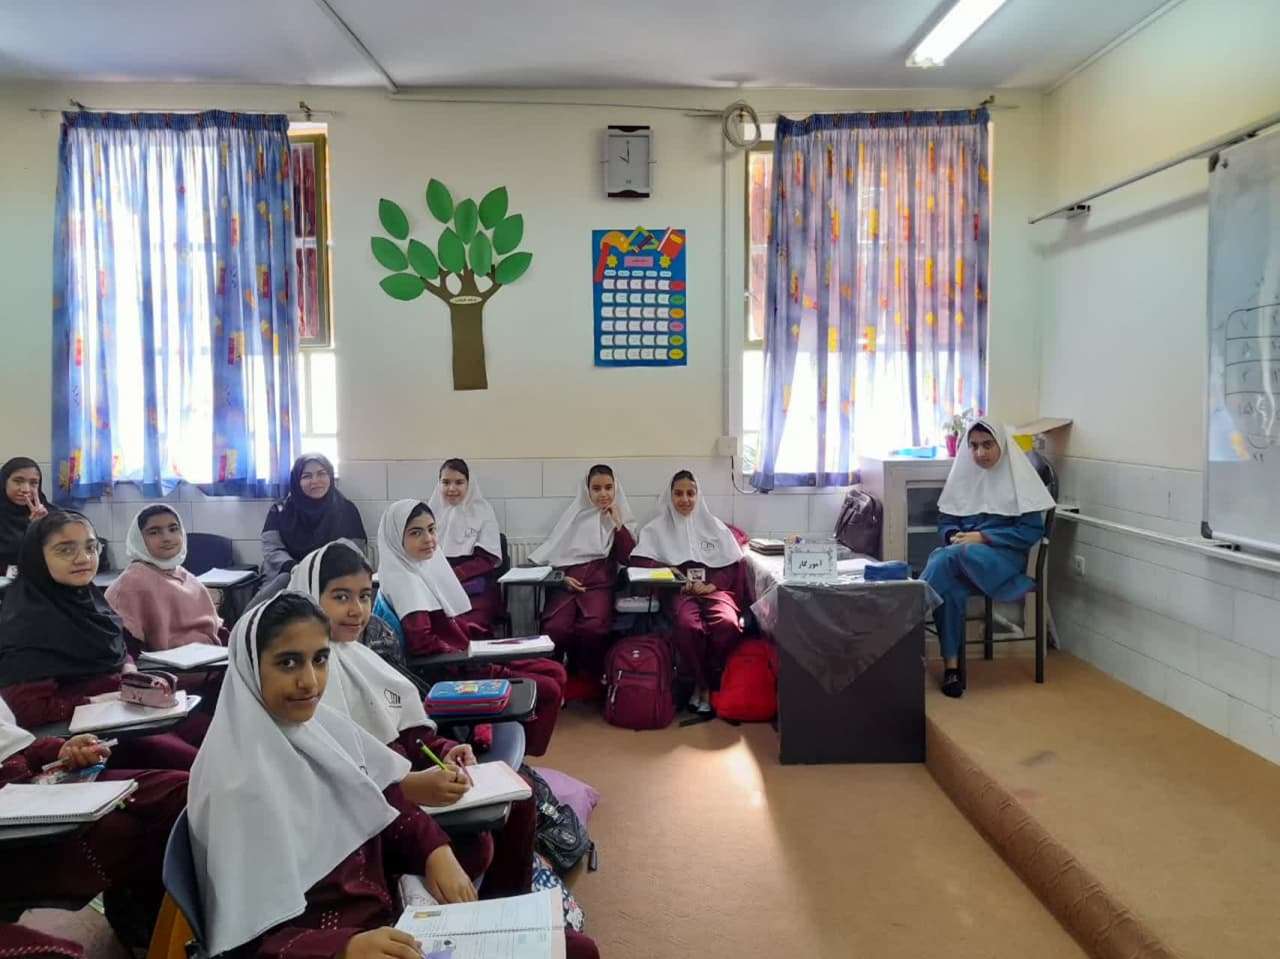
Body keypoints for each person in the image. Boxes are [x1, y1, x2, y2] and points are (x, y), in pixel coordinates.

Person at [191, 591, 598, 959]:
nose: (310, 681)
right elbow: (245, 946)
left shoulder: (320, 733)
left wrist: (435, 852)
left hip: (394, 922)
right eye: (287, 662)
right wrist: (345, 948)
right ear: (249, 669)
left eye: (320, 659)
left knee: (574, 949)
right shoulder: (236, 788)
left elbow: (384, 800)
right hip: (348, 947)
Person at [290, 540, 538, 899]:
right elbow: (340, 778)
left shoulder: (359, 657)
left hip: (408, 784)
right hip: (374, 812)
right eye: (341, 597)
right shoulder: (308, 680)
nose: (357, 610)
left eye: (364, 596)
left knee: (522, 795)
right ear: (310, 598)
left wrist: (446, 749)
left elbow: (406, 733)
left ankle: (510, 909)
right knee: (476, 844)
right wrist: (410, 784)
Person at [0, 511, 208, 769]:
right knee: (201, 767)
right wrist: (103, 699)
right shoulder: (26, 622)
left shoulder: (89, 602)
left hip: (133, 710)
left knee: (218, 736)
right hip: (94, 735)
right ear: (37, 558)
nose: (83, 559)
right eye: (65, 550)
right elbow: (28, 710)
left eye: (90, 547)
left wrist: (130, 672)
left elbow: (118, 648)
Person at [0, 697, 189, 956]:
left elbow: (13, 744)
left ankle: (159, 931)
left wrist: (62, 750)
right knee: (129, 829)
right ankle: (147, 929)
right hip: (16, 831)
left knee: (181, 792)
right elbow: (30, 702)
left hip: (31, 785)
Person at [376, 500, 566, 756]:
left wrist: (474, 636)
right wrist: (474, 654)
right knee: (550, 689)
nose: (428, 539)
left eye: (431, 529)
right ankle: (523, 756)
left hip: (464, 656)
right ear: (396, 538)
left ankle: (518, 751)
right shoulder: (405, 582)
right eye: (415, 532)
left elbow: (444, 625)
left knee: (555, 671)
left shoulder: (419, 567)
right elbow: (423, 645)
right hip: (452, 672)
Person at [922, 419, 1056, 698]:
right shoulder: (966, 476)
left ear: (1001, 445)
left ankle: (905, 614)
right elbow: (946, 520)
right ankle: (952, 669)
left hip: (1002, 563)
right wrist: (953, 535)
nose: (979, 453)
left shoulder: (1018, 479)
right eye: (973, 446)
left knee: (950, 556)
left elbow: (1031, 531)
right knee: (948, 588)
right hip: (961, 559)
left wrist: (982, 537)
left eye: (987, 445)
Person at [632, 471, 747, 715]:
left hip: (713, 589)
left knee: (727, 624)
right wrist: (669, 571)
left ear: (698, 495)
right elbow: (639, 560)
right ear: (670, 496)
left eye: (690, 493)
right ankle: (701, 685)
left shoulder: (714, 526)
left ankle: (710, 681)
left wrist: (712, 584)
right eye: (678, 493)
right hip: (680, 591)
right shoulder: (656, 529)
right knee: (688, 627)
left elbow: (732, 563)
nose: (685, 499)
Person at [532, 465, 635, 686]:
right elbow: (553, 557)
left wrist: (618, 523)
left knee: (593, 628)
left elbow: (628, 558)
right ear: (587, 491)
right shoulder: (573, 517)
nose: (603, 494)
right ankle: (554, 679)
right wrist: (562, 579)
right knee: (555, 628)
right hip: (566, 585)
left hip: (598, 586)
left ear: (616, 489)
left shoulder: (620, 519)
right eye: (596, 488)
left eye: (608, 487)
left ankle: (587, 681)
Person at [105, 505, 223, 653]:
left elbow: (215, 630)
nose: (167, 538)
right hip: (165, 665)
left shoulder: (186, 576)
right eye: (154, 532)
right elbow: (126, 648)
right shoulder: (131, 583)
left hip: (210, 659)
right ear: (139, 539)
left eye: (173, 529)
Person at [256, 453, 366, 602]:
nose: (315, 481)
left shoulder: (346, 509)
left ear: (330, 476)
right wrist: (293, 568)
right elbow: (272, 548)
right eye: (307, 476)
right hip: (287, 573)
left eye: (321, 474)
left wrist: (320, 570)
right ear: (297, 481)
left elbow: (354, 549)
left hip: (331, 574)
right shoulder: (280, 510)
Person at [428, 458, 506, 636]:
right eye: (446, 482)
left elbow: (487, 559)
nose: (451, 488)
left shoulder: (483, 511)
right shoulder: (430, 513)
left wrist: (455, 574)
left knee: (469, 625)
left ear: (469, 484)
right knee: (430, 622)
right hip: (439, 583)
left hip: (475, 583)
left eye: (459, 482)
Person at [0, 457, 50, 573]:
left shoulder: (51, 515)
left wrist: (41, 527)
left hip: (39, 579)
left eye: (33, 483)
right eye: (18, 481)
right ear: (3, 482)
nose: (25, 489)